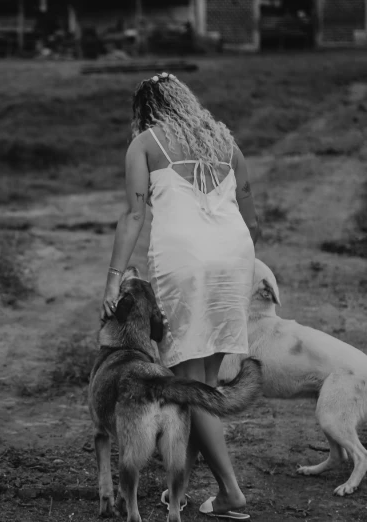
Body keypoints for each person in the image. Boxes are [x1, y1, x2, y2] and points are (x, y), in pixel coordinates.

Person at [101, 72, 259, 520]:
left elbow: (134, 215)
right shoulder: (228, 146)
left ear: (145, 112)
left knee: (189, 388)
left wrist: (114, 279)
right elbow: (251, 220)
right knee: (199, 385)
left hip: (186, 262)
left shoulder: (145, 144)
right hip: (233, 259)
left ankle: (231, 493)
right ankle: (179, 492)